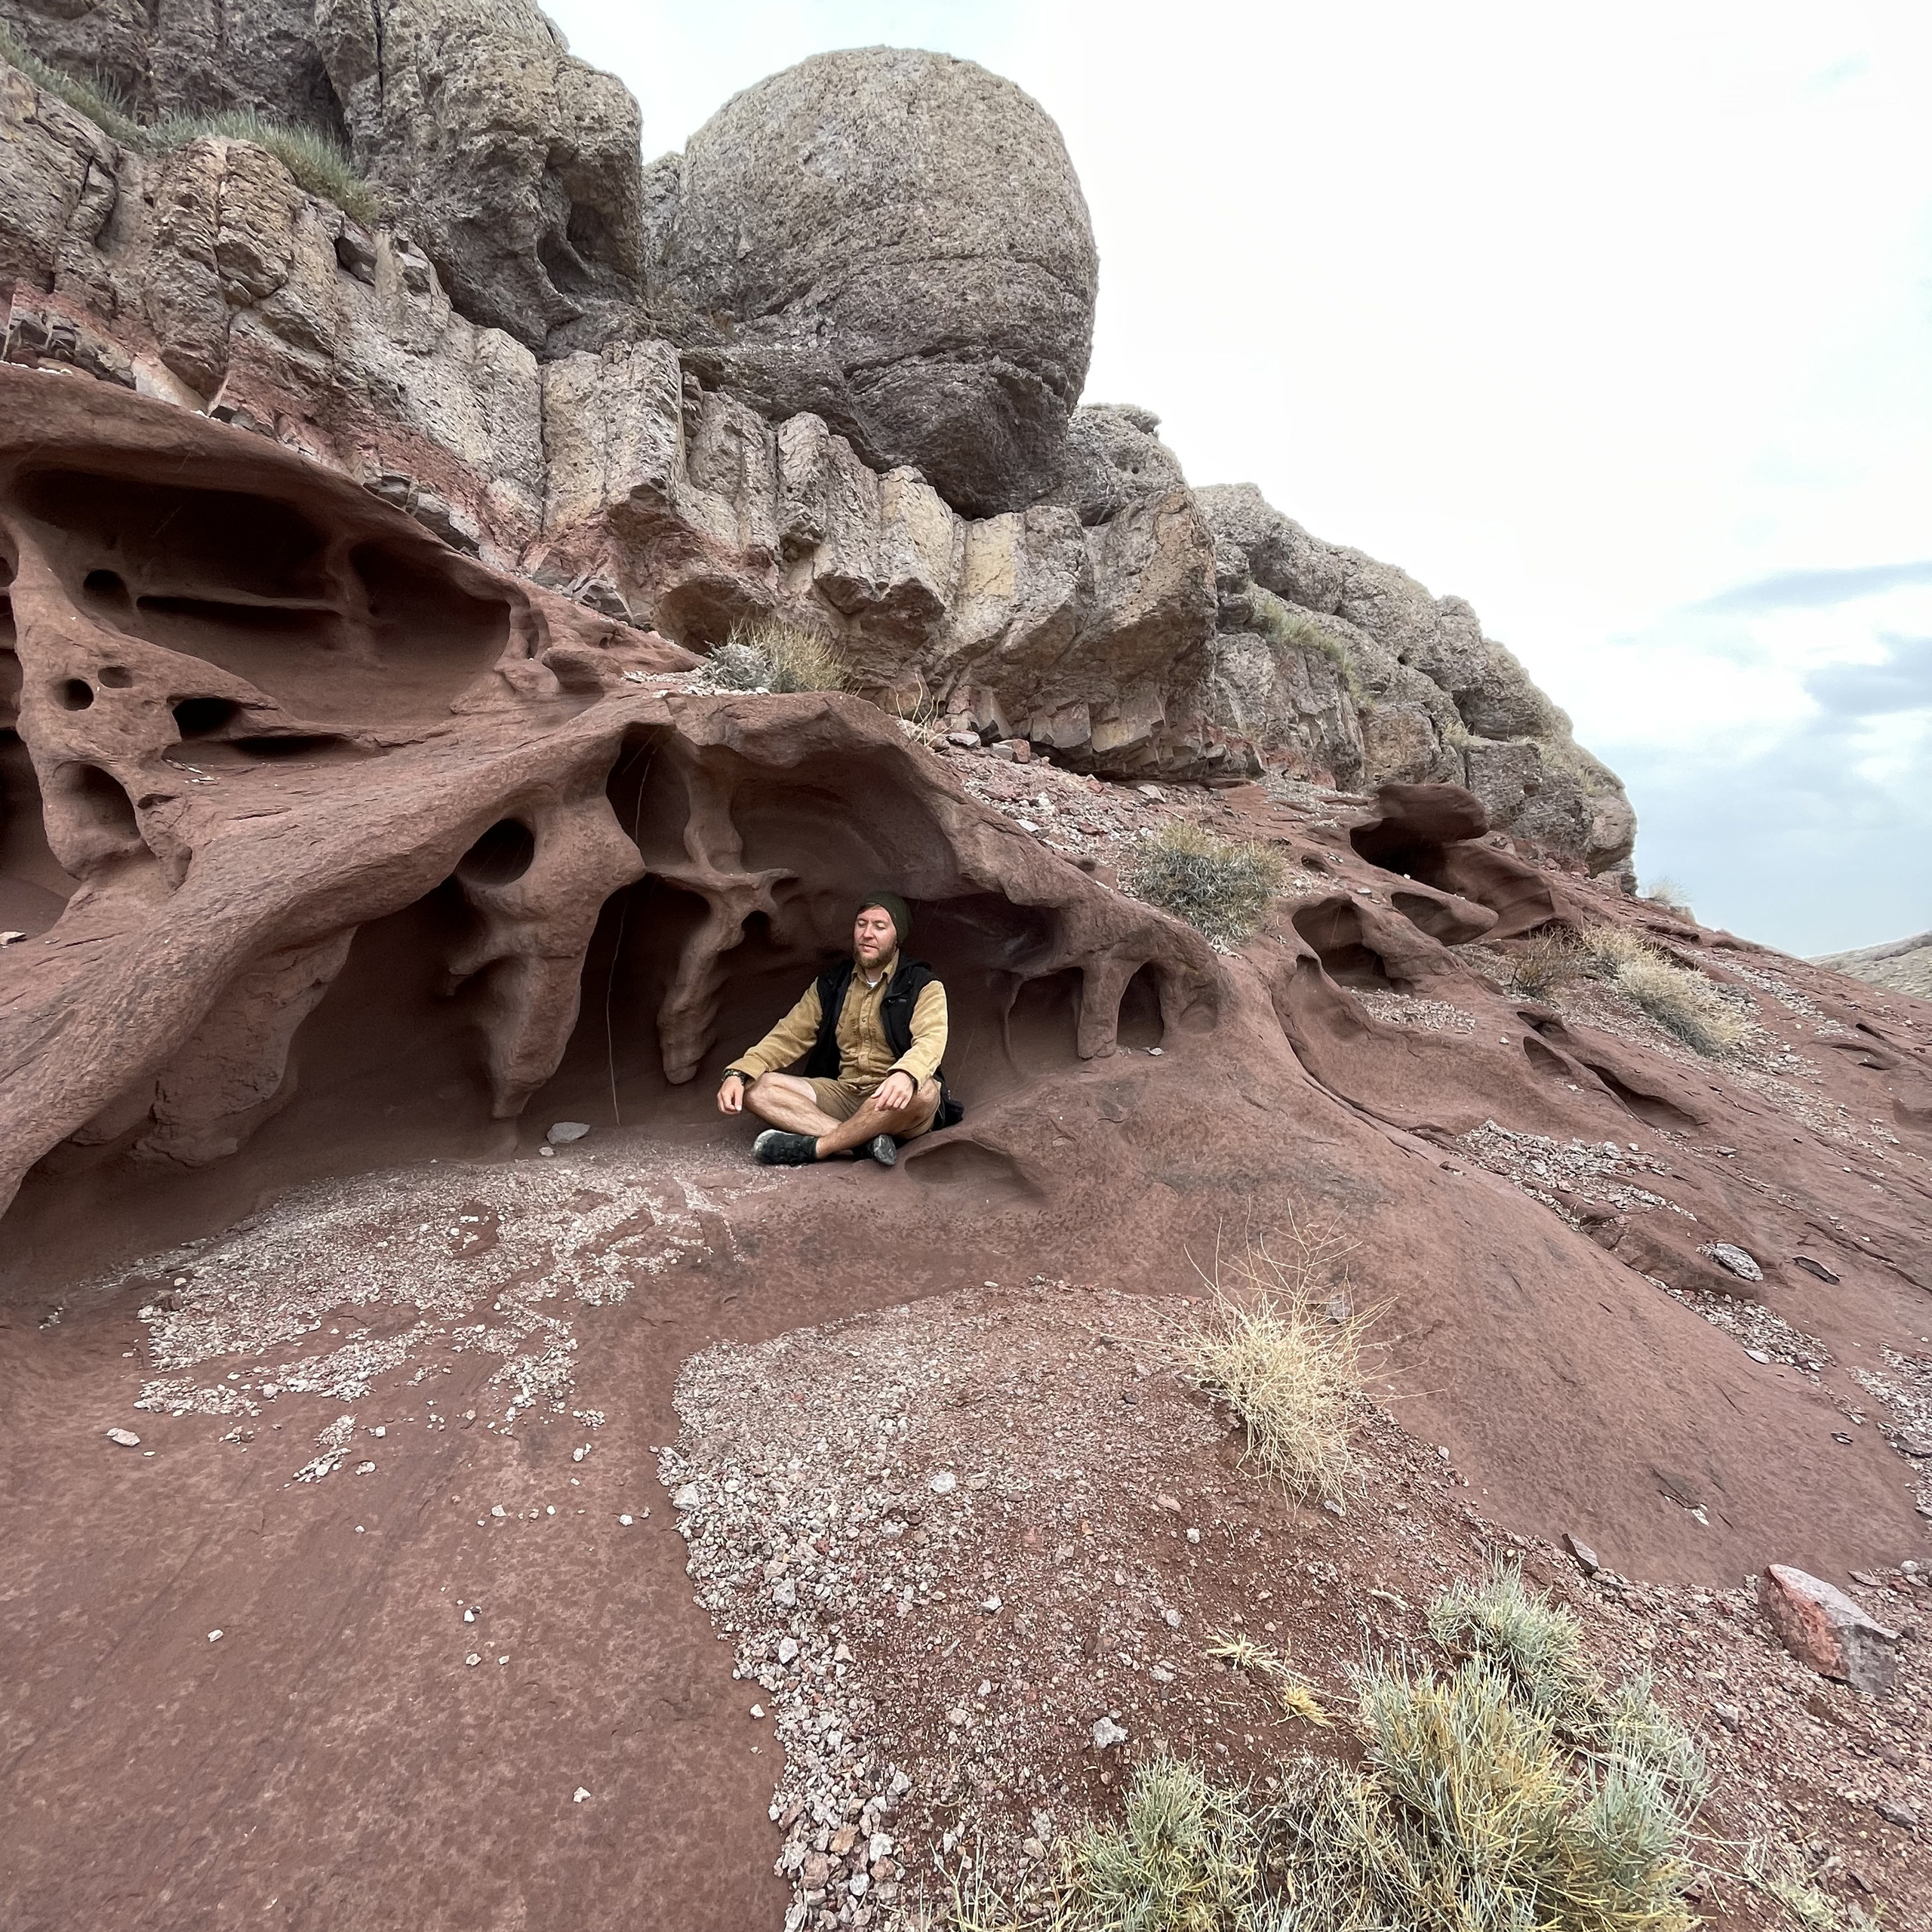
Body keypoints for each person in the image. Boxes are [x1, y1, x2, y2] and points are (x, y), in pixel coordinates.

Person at [716, 894, 961, 1166]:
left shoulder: (923, 984)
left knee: (927, 1092)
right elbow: (788, 1036)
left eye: (880, 927)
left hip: (895, 1098)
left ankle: (819, 1147)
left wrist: (907, 1074)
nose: (868, 934)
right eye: (861, 924)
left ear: (897, 936)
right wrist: (739, 1072)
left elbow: (931, 1040)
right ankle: (864, 1143)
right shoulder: (832, 983)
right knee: (755, 1089)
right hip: (844, 1095)